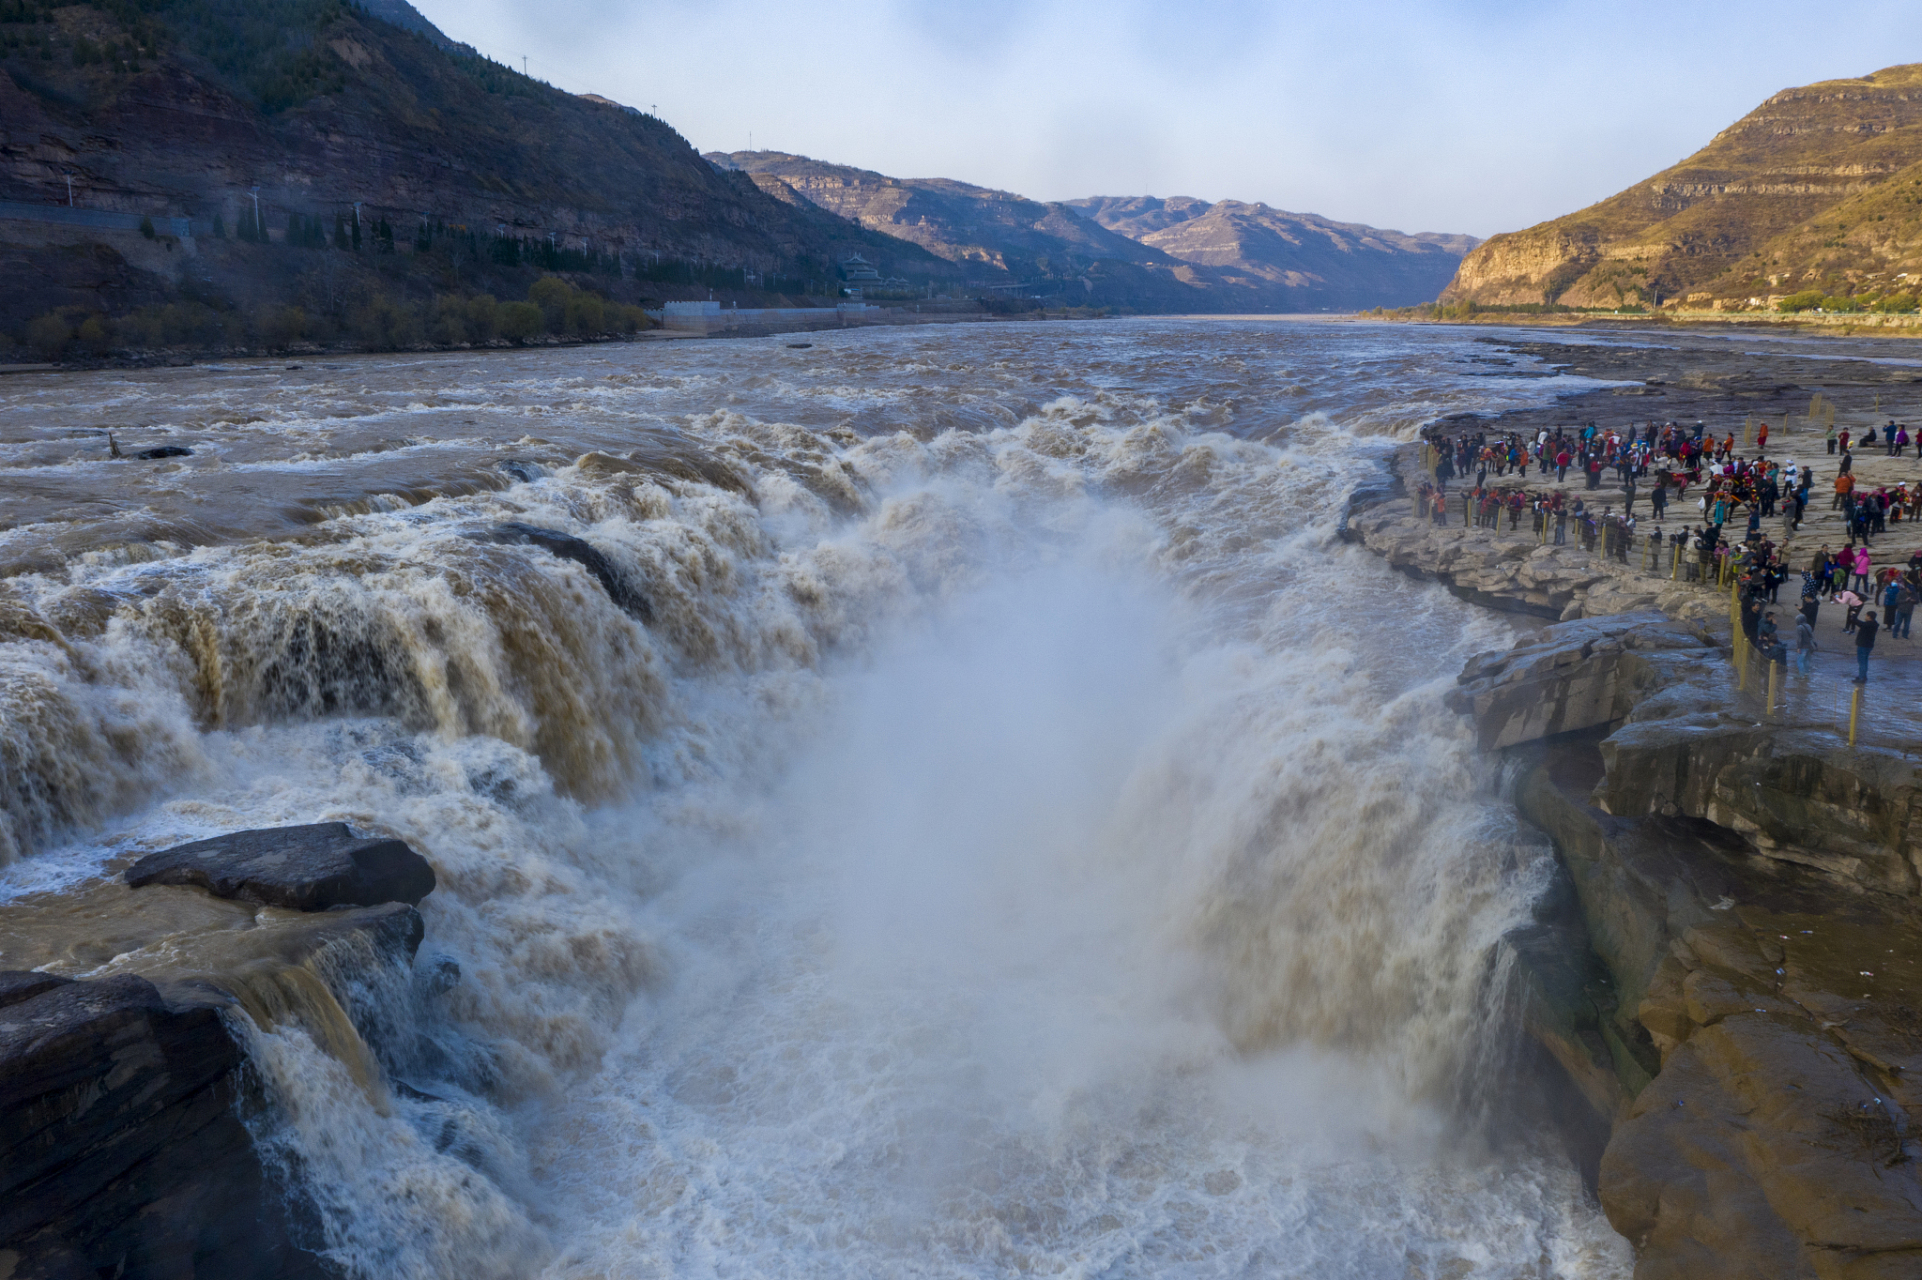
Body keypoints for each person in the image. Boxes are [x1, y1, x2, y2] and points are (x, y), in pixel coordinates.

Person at [1855, 609, 1879, 683]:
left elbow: (1860, 624)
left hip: (1863, 645)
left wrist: (1853, 617)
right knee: (1864, 661)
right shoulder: (1875, 624)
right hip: (1869, 645)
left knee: (1861, 662)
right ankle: (1863, 676)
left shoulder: (1868, 625)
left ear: (1869, 617)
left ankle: (1861, 677)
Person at [1795, 611, 1817, 675]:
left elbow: (1799, 639)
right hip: (1809, 646)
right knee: (1807, 660)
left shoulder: (1799, 627)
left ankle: (1801, 675)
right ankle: (1807, 674)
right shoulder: (1808, 626)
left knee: (1800, 661)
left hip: (1803, 647)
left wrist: (1798, 647)